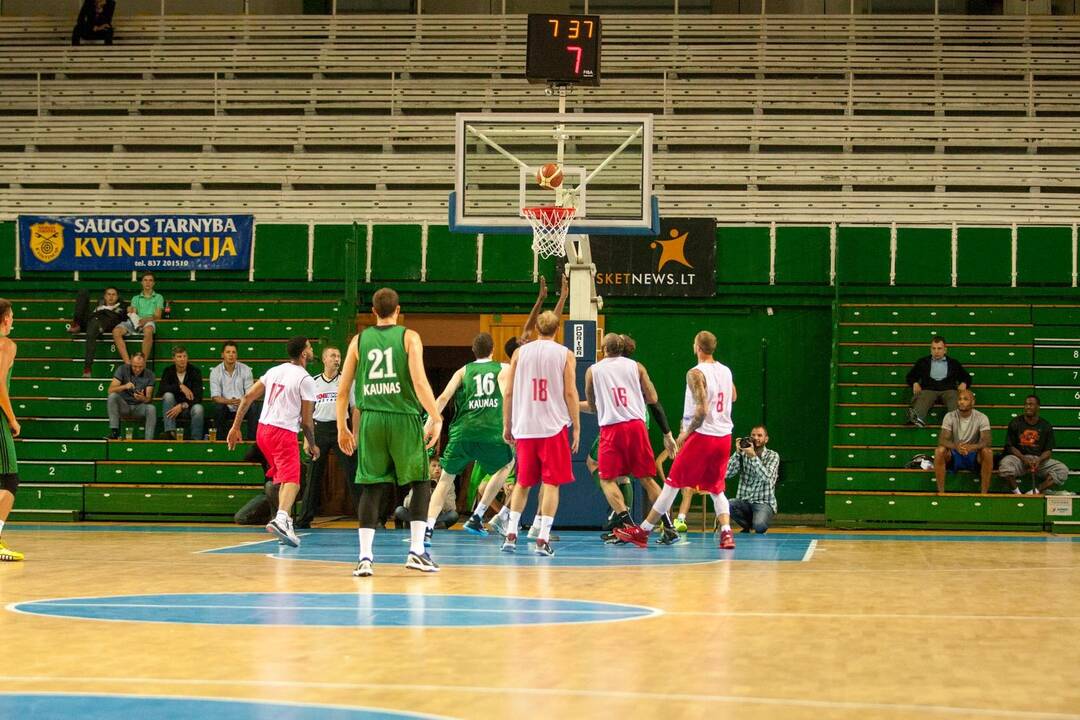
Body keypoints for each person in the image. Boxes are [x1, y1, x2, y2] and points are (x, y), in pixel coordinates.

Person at [337, 287, 443, 577]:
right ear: (398, 311)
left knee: (371, 486)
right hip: (402, 417)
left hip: (370, 419)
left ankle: (365, 558)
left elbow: (343, 390)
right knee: (421, 480)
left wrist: (341, 426)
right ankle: (417, 551)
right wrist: (436, 416)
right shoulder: (409, 337)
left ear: (373, 312)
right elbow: (420, 383)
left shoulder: (358, 340)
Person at [616, 331, 738, 550]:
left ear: (697, 347)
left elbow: (702, 411)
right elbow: (733, 396)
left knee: (672, 484)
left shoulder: (695, 373)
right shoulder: (726, 371)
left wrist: (685, 433)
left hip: (702, 435)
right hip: (724, 437)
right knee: (717, 488)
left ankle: (643, 531)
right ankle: (727, 533)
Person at [581, 333, 678, 544]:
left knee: (606, 479)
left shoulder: (593, 371)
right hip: (636, 426)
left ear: (603, 348)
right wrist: (667, 434)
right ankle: (669, 526)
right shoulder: (637, 367)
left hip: (612, 429)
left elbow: (592, 405)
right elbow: (653, 400)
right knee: (646, 479)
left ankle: (629, 525)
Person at [501, 310, 580, 557]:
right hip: (552, 428)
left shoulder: (518, 353)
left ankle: (511, 534)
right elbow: (569, 392)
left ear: (536, 328)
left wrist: (507, 424)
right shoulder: (565, 354)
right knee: (552, 483)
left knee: (523, 483)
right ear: (558, 330)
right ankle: (542, 538)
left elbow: (509, 392)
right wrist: (576, 426)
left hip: (525, 426)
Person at [227, 336, 318, 547]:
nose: (312, 350)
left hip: (263, 431)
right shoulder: (306, 379)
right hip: (282, 432)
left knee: (283, 479)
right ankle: (282, 518)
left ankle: (285, 524)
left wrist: (235, 426)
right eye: (310, 347)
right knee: (293, 480)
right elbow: (306, 421)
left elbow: (248, 397)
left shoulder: (275, 371)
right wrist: (312, 444)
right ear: (304, 353)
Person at [425, 331, 515, 542]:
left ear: (473, 351)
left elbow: (443, 397)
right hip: (491, 433)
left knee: (445, 480)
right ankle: (478, 514)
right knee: (507, 465)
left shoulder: (463, 371)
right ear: (493, 350)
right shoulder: (504, 368)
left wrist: (429, 425)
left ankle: (427, 529)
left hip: (463, 433)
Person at [295, 345, 358, 529]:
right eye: (332, 356)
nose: (337, 359)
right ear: (324, 359)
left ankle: (367, 518)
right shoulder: (313, 382)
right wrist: (307, 439)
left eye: (339, 356)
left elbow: (355, 409)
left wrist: (355, 434)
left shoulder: (347, 382)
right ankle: (304, 518)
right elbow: (307, 412)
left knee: (352, 473)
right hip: (319, 430)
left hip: (341, 429)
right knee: (313, 476)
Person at [998, 395, 1069, 495]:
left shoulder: (1045, 425)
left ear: (1038, 407)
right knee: (1005, 465)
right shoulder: (1015, 422)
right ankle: (1018, 494)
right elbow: (1010, 447)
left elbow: (1048, 451)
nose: (1027, 407)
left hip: (1038, 460)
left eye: (1031, 404)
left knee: (1062, 470)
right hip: (1019, 459)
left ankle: (1034, 492)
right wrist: (1023, 459)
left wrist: (1039, 460)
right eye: (1026, 404)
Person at [933, 388, 993, 495]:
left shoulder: (982, 417)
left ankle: (984, 494)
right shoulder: (949, 416)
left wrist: (971, 447)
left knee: (987, 452)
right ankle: (941, 492)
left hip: (974, 454)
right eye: (960, 399)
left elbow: (986, 441)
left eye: (965, 399)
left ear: (973, 402)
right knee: (939, 451)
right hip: (955, 453)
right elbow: (942, 439)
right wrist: (956, 446)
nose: (961, 401)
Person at [905, 335, 972, 428]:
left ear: (945, 350)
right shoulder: (923, 362)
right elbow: (910, 376)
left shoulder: (953, 363)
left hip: (948, 389)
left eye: (939, 348)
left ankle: (957, 422)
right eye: (934, 348)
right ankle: (916, 420)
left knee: (954, 398)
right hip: (929, 389)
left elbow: (967, 377)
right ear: (930, 349)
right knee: (923, 397)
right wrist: (915, 383)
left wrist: (964, 383)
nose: (936, 351)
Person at [0, 299, 23, 561]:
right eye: (12, 316)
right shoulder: (6, 344)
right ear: (5, 319)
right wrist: (12, 418)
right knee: (9, 480)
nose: (13, 320)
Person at [726, 425, 780, 534]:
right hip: (744, 501)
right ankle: (749, 526)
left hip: (763, 502)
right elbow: (727, 473)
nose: (756, 438)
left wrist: (753, 457)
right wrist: (737, 453)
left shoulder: (773, 456)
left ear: (766, 439)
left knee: (759, 526)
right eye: (753, 435)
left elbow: (767, 478)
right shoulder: (743, 454)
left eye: (759, 435)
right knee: (728, 504)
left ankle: (756, 524)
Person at [68, 287, 125, 378]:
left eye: (113, 294)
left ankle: (87, 368)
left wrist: (101, 311)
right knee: (83, 291)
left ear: (117, 297)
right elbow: (91, 315)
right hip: (91, 321)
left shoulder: (120, 308)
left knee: (93, 325)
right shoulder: (99, 306)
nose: (111, 297)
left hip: (101, 325)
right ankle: (76, 324)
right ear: (105, 296)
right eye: (108, 294)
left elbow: (115, 319)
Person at [112, 272, 164, 366]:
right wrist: (131, 310)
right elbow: (134, 313)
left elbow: (157, 315)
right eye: (145, 280)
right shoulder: (135, 298)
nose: (148, 283)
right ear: (142, 282)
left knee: (148, 330)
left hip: (149, 321)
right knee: (116, 331)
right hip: (136, 321)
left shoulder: (158, 297)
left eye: (150, 280)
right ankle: (128, 363)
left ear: (154, 283)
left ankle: (142, 364)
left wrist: (146, 320)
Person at [211, 341, 258, 440]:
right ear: (222, 355)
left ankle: (252, 441)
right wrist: (229, 401)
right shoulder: (215, 372)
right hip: (226, 407)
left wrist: (242, 402)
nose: (231, 355)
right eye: (228, 352)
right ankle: (221, 441)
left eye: (233, 352)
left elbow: (250, 393)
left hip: (243, 405)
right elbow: (215, 397)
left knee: (253, 407)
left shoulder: (246, 370)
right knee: (219, 408)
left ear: (237, 355)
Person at [397, 457, 459, 530]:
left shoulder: (448, 483)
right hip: (419, 516)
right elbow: (407, 505)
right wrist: (426, 488)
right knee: (399, 510)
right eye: (434, 466)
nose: (437, 468)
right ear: (428, 468)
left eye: (440, 466)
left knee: (453, 515)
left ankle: (423, 526)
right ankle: (433, 526)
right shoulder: (421, 481)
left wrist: (439, 492)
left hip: (436, 516)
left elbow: (451, 507)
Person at [106, 352, 156, 440]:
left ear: (144, 364)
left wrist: (142, 398)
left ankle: (148, 440)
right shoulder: (122, 369)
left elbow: (148, 399)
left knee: (151, 408)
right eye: (135, 366)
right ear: (131, 362)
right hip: (124, 405)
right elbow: (110, 390)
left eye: (140, 367)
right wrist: (124, 386)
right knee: (112, 397)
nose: (137, 369)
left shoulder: (150, 374)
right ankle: (114, 432)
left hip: (139, 407)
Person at [159, 345, 204, 440]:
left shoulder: (195, 372)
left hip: (189, 406)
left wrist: (182, 405)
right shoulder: (168, 371)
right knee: (167, 396)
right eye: (179, 357)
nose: (182, 359)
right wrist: (180, 387)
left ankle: (196, 439)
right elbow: (161, 389)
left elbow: (198, 396)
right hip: (172, 407)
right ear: (173, 359)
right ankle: (170, 432)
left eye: (184, 356)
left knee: (199, 409)